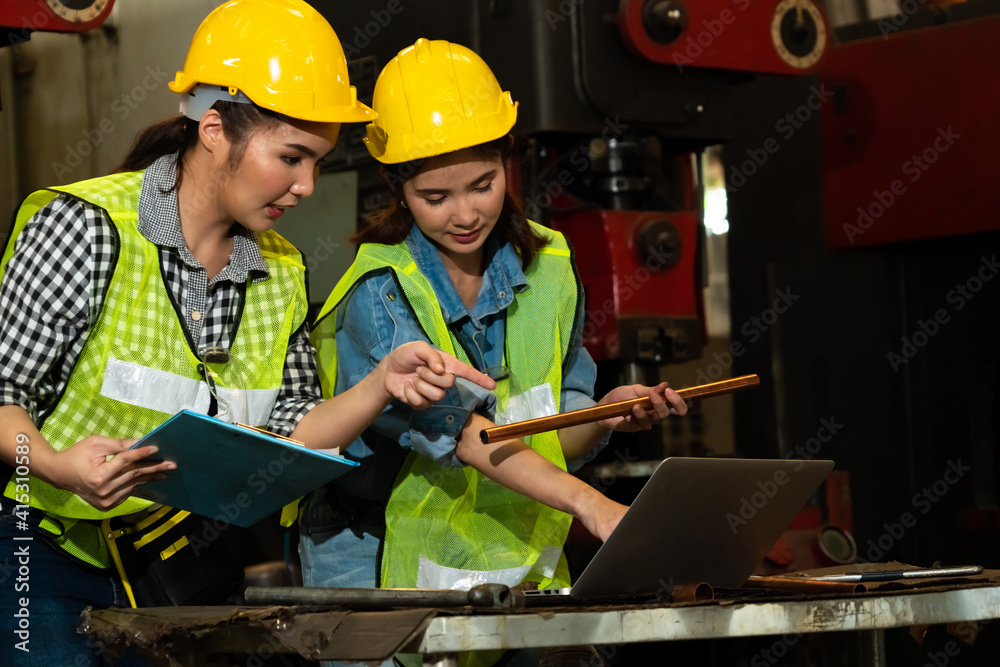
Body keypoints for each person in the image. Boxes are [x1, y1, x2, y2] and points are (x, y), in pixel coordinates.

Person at [0, 7, 494, 666]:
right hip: (42, 545)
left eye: (317, 161)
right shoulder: (88, 230)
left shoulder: (283, 268)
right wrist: (59, 465)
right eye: (291, 157)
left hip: (180, 553)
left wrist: (380, 385)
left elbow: (292, 429)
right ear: (213, 129)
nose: (306, 186)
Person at [300, 38, 688, 667]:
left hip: (503, 533)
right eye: (436, 197)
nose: (465, 213)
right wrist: (589, 503)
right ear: (398, 187)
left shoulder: (551, 265)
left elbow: (550, 434)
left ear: (509, 163)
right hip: (367, 543)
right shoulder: (383, 289)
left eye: (483, 185)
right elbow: (461, 434)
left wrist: (605, 414)